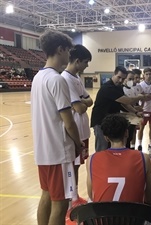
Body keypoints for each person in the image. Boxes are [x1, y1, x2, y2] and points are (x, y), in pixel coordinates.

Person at [31, 30, 83, 225]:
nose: (70, 55)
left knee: (46, 195)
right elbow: (68, 121)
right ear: (60, 49)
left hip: (42, 151)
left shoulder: (38, 77)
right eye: (68, 50)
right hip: (58, 152)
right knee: (60, 204)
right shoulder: (57, 79)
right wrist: (78, 143)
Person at [86, 114, 151, 205]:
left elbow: (92, 195)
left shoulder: (92, 159)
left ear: (106, 138)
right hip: (134, 218)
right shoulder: (143, 158)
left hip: (103, 217)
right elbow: (150, 198)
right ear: (126, 133)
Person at [61, 44, 93, 206]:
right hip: (76, 132)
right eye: (86, 62)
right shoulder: (65, 79)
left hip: (83, 130)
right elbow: (79, 107)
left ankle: (74, 196)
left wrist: (82, 101)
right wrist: (83, 101)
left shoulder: (76, 78)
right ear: (78, 61)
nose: (87, 66)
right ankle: (71, 200)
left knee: (78, 164)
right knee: (72, 166)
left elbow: (90, 100)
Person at [90, 66, 144, 152]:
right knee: (102, 148)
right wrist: (138, 97)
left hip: (110, 121)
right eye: (119, 77)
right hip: (100, 121)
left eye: (123, 79)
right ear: (114, 74)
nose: (120, 80)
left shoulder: (118, 87)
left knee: (110, 147)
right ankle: (98, 164)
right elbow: (127, 100)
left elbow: (124, 103)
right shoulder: (107, 87)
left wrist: (136, 112)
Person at [122, 70, 143, 149]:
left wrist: (137, 108)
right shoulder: (122, 89)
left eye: (132, 79)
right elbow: (125, 103)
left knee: (130, 135)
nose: (132, 81)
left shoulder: (132, 89)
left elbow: (134, 103)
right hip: (125, 117)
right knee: (124, 137)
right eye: (130, 79)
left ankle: (131, 148)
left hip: (133, 116)